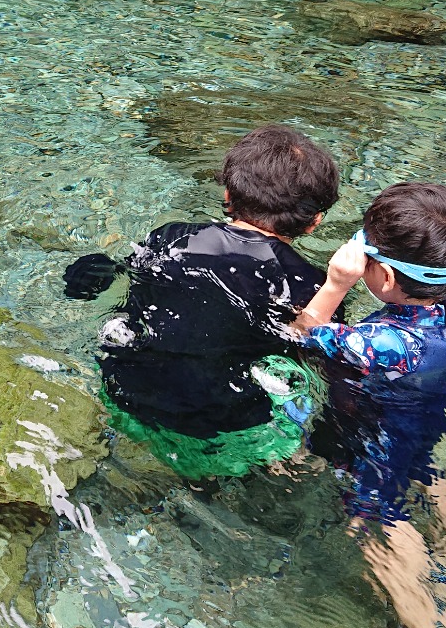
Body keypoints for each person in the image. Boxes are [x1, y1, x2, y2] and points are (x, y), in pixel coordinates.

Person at [291, 181, 446, 628]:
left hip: (373, 434)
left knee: (376, 525)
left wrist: (336, 283)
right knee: (424, 470)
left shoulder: (377, 341)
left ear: (381, 274)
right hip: (420, 420)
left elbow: (301, 333)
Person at [64, 124, 339, 480]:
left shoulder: (172, 237)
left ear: (227, 195)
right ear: (314, 223)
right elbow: (314, 350)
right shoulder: (309, 284)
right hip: (229, 429)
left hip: (124, 392)